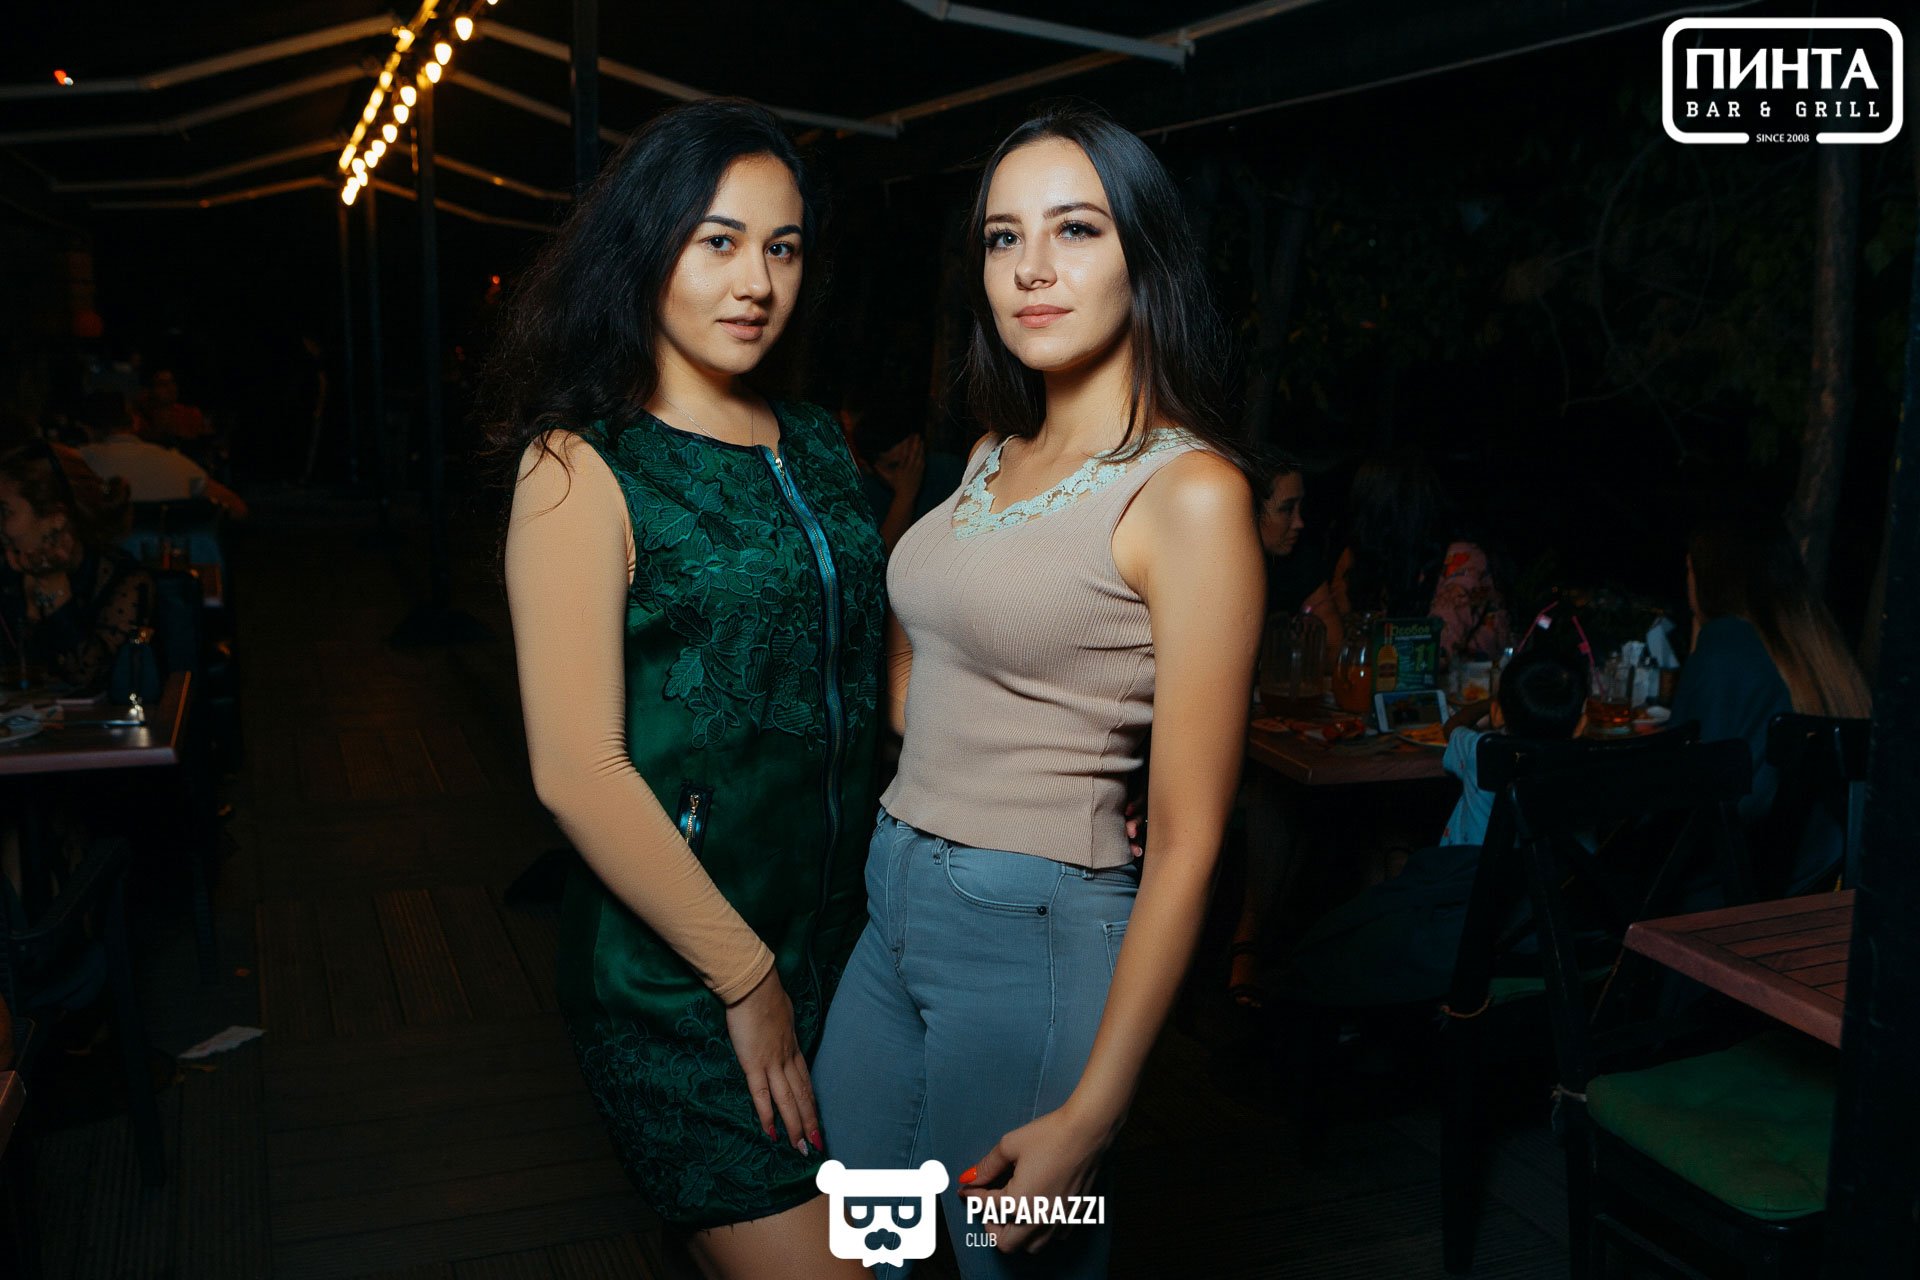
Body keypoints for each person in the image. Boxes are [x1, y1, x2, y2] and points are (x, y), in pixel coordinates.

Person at [812, 104, 1265, 1278]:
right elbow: (928, 648)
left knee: (1013, 1261)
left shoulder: (1191, 495)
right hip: (893, 897)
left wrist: (1096, 1114)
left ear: (1143, 256)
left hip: (1033, 935)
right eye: (1003, 237)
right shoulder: (988, 456)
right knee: (864, 1248)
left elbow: (1190, 840)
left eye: (1075, 228)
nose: (1031, 268)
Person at [483, 100, 882, 1279]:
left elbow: (872, 664)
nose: (756, 280)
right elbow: (576, 770)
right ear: (646, 246)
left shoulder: (813, 439)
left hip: (848, 952)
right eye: (719, 241)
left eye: (783, 247)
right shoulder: (580, 464)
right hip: (682, 978)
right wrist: (744, 978)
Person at [1269, 644, 1590, 1008]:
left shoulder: (1480, 750)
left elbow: (1452, 727)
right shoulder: (1586, 766)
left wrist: (1486, 707)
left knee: (1351, 925)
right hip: (1542, 924)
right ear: (1581, 722)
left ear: (1499, 712)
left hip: (1460, 916)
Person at [1674, 513, 1871, 891]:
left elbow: (1682, 791)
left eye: (1689, 570)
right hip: (1814, 883)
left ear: (1711, 578)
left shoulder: (1726, 645)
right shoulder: (1821, 652)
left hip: (1727, 892)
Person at [1305, 454, 1510, 673]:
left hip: (1468, 689)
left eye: (1366, 510)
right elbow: (1336, 637)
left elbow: (1435, 649)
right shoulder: (1365, 558)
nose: (1357, 521)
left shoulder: (1462, 559)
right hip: (1395, 686)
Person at [1230, 451, 1309, 1007]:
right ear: (1250, 513)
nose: (1299, 523)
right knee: (1272, 801)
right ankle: (1247, 947)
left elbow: (1333, 644)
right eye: (1287, 509)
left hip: (1260, 741)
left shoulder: (1292, 566)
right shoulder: (1218, 574)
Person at [0, 439, 151, 693]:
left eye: (5, 512)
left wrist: (54, 589)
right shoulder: (7, 572)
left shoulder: (122, 580)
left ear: (56, 518)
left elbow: (87, 677)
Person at [78, 393, 249, 518]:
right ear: (135, 423)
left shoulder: (77, 462)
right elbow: (238, 508)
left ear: (87, 430)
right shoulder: (179, 464)